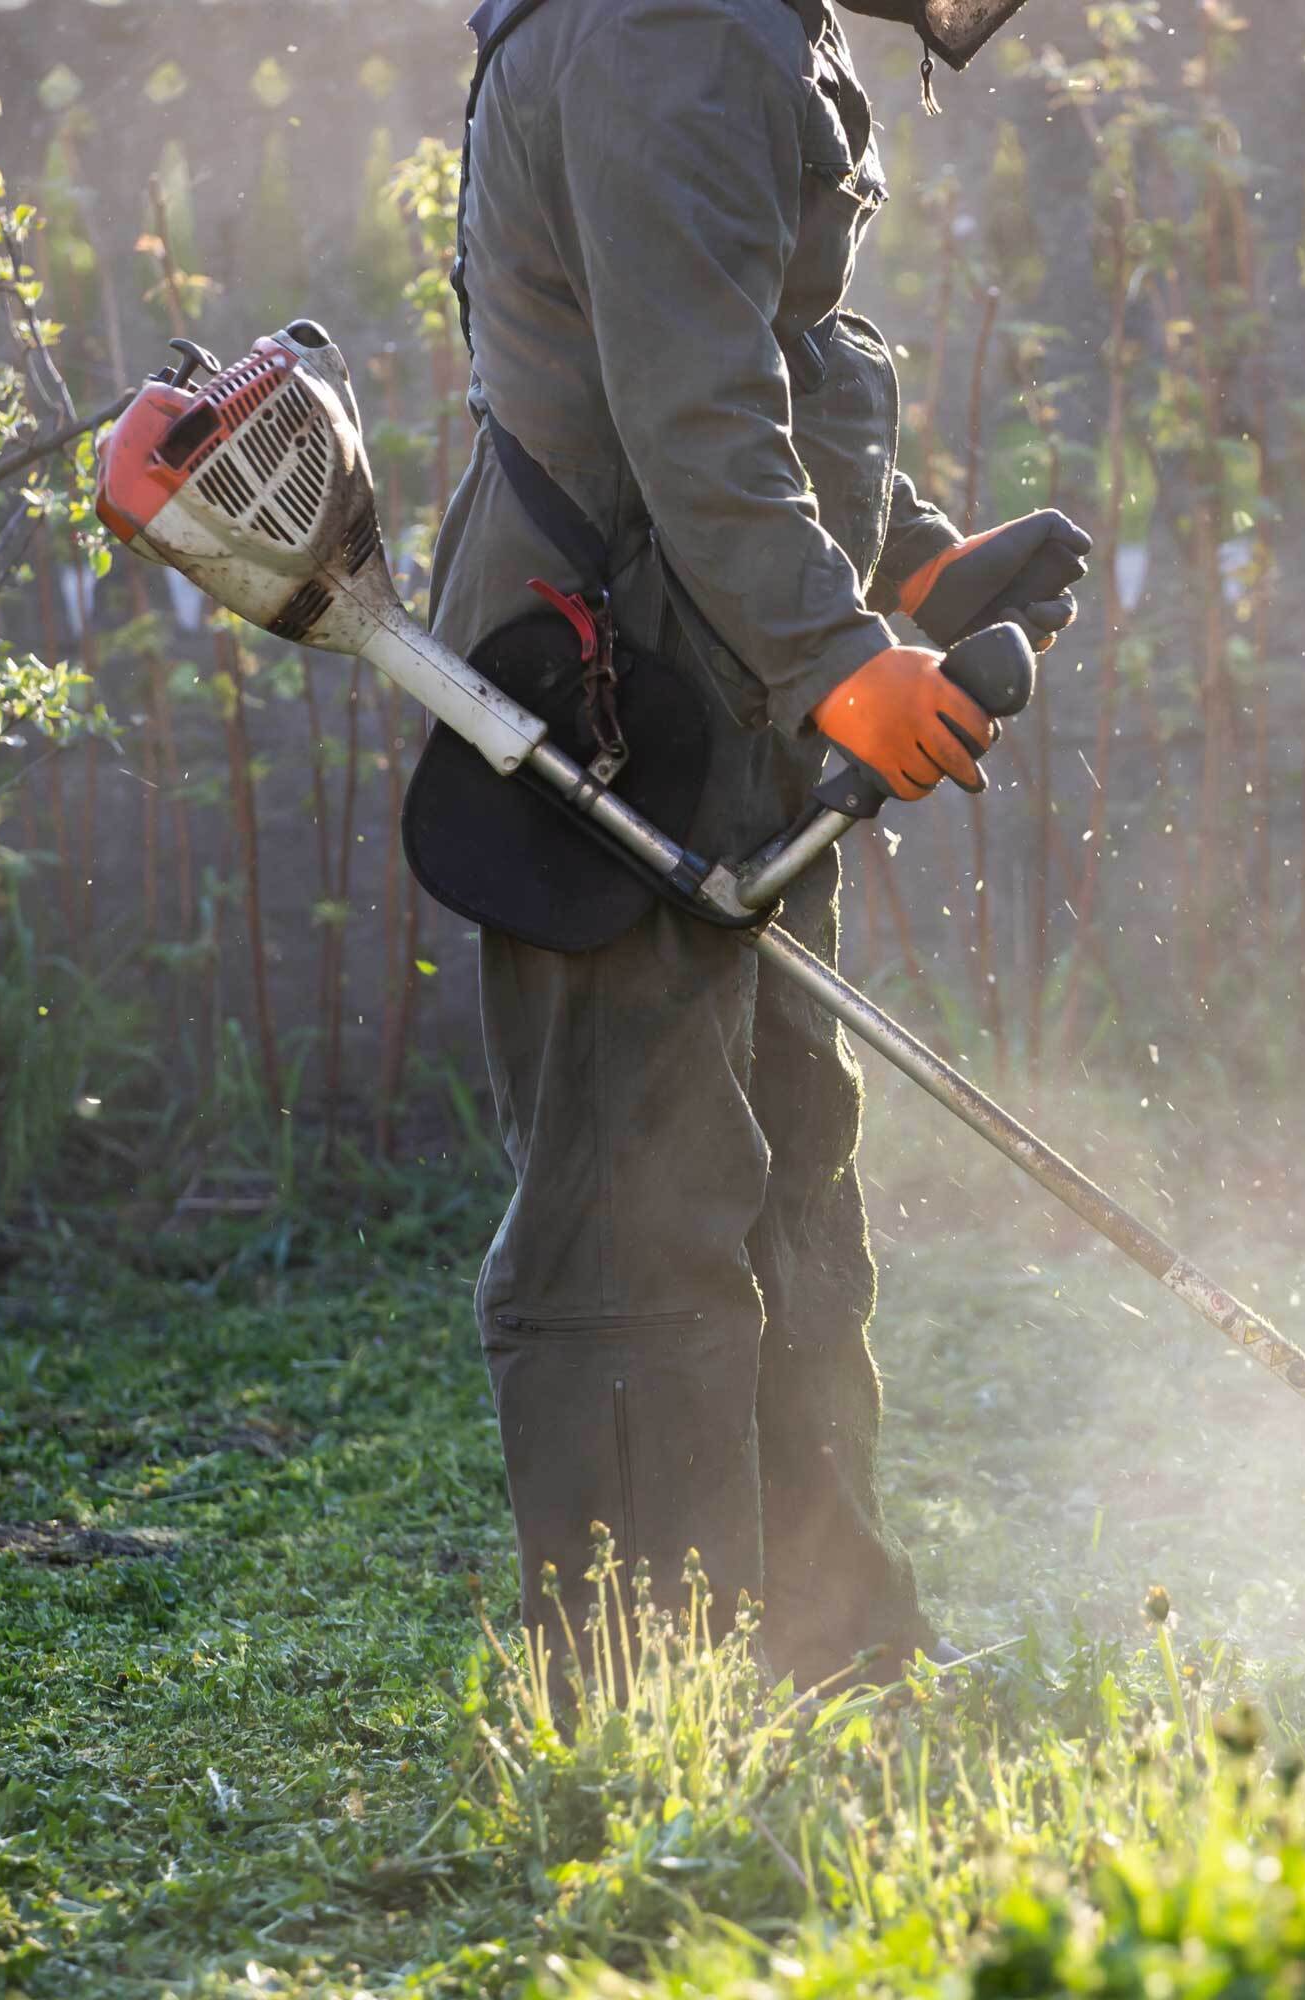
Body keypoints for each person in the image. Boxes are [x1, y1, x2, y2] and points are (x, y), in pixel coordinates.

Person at [427, 0, 1086, 1684]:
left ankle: (824, 1649)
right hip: (611, 689)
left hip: (716, 678)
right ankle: (651, 1683)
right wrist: (835, 655)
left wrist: (908, 571)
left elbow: (768, 359)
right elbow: (687, 411)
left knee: (788, 1157)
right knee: (638, 1195)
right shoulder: (662, 27)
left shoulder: (752, 24)